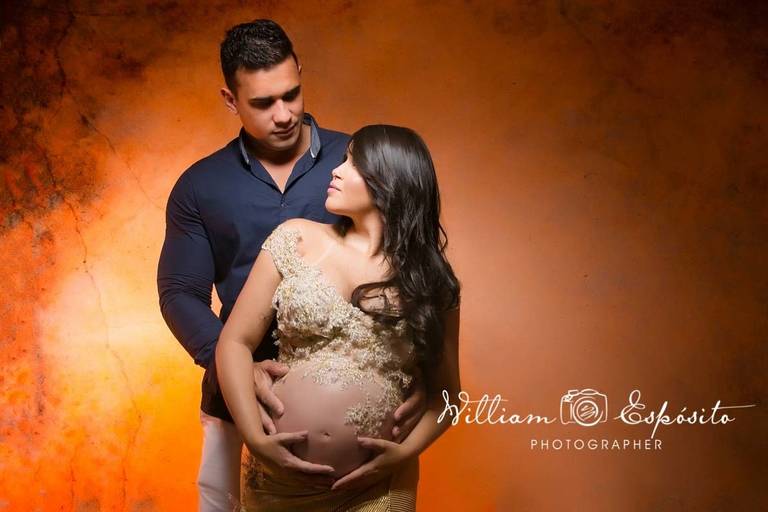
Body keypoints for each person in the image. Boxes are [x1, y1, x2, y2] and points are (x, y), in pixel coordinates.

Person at [157, 20, 427, 511]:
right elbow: (179, 293)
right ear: (230, 100)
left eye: (291, 94)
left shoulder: (358, 164)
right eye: (263, 103)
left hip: (364, 427)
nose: (283, 115)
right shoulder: (200, 186)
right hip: (232, 403)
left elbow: (412, 262)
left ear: (301, 74)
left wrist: (420, 370)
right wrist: (233, 364)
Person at [216, 124, 462, 511]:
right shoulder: (295, 238)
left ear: (390, 179)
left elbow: (448, 396)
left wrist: (403, 454)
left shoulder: (430, 281)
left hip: (378, 486)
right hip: (279, 481)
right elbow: (234, 342)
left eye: (353, 163)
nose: (336, 169)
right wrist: (256, 440)